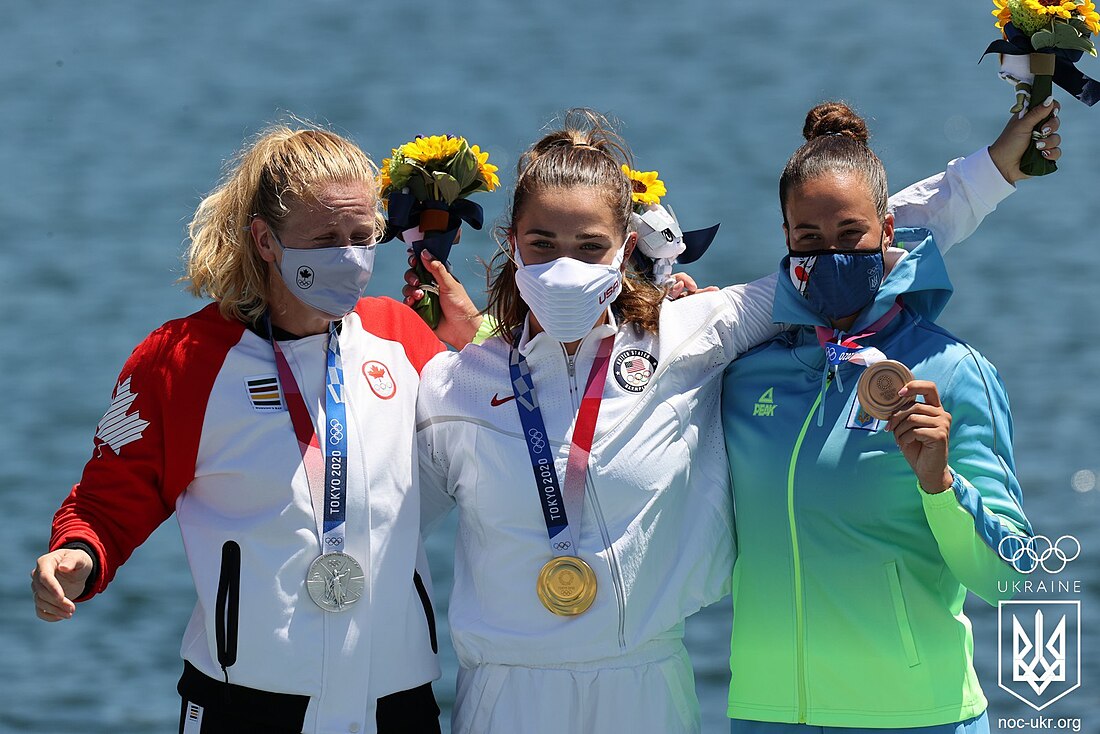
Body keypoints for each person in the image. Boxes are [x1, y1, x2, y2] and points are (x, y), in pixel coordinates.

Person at [411, 105, 1051, 734]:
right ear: (513, 246)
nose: (565, 267)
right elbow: (378, 517)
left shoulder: (691, 335)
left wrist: (995, 170)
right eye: (543, 245)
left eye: (589, 246)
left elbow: (862, 237)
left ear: (625, 248)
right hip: (518, 691)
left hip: (671, 688)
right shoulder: (459, 379)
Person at [29, 122, 483, 734]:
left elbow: (495, 440)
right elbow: (115, 494)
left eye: (362, 235)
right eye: (325, 238)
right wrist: (78, 553)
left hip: (396, 701)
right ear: (265, 240)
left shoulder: (401, 335)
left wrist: (475, 344)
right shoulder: (183, 359)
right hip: (245, 704)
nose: (349, 256)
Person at [720, 102, 1042, 734]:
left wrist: (942, 487)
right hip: (766, 715)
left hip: (918, 718)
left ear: (888, 230)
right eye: (809, 240)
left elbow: (1013, 578)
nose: (832, 254)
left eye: (850, 235)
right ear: (786, 239)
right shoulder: (746, 375)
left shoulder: (950, 370)